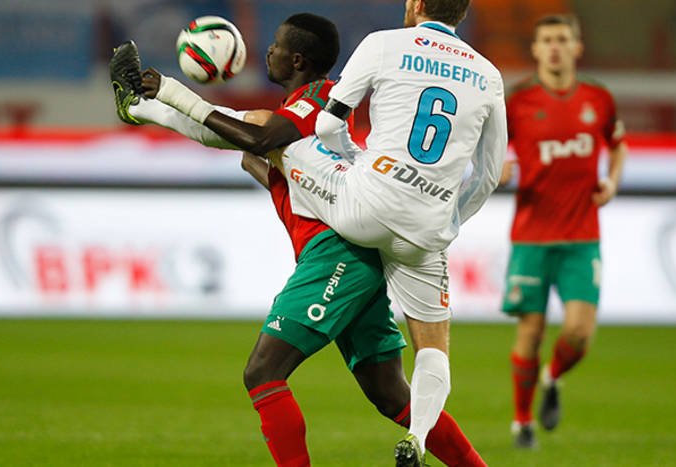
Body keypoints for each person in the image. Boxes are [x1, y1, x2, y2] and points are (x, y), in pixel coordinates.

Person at [110, 13, 485, 467]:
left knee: (263, 372)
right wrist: (152, 110)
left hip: (337, 253)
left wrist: (167, 96)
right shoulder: (296, 110)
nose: (269, 50)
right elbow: (238, 137)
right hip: (350, 253)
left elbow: (255, 135)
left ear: (298, 60)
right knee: (389, 394)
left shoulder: (320, 100)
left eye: (278, 44)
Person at [498, 13, 627, 448]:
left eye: (562, 39)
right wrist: (496, 167)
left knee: (578, 332)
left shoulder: (598, 98)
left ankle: (552, 377)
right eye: (547, 40)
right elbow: (489, 147)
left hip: (582, 237)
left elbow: (618, 144)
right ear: (536, 49)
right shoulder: (518, 101)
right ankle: (522, 423)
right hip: (531, 237)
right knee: (531, 331)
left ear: (576, 47)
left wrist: (612, 182)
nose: (555, 47)